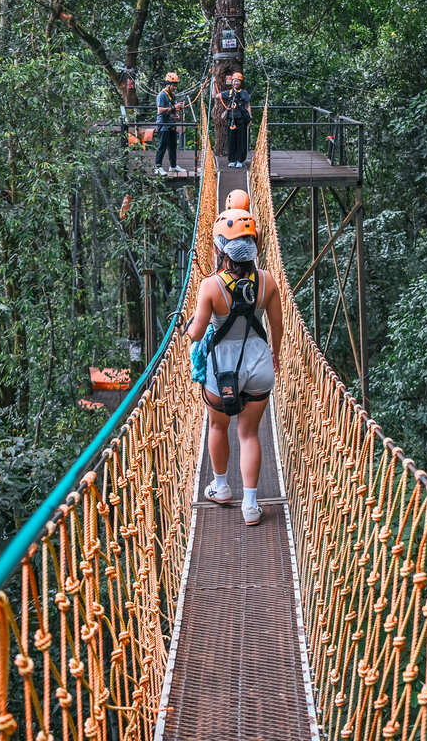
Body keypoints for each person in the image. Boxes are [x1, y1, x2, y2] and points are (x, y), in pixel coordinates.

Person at [186, 208, 284, 525]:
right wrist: (275, 354)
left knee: (218, 426)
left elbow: (196, 333)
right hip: (259, 364)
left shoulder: (210, 286)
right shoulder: (267, 281)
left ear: (220, 249)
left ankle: (222, 487)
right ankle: (251, 506)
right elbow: (277, 326)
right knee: (249, 433)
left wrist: (187, 324)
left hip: (222, 370)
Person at [217, 71, 252, 167]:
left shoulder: (244, 93)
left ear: (240, 82)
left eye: (238, 81)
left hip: (241, 120)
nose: (236, 83)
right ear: (232, 82)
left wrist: (250, 118)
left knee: (241, 140)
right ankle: (232, 160)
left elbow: (248, 105)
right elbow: (215, 96)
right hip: (232, 120)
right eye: (235, 81)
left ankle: (240, 160)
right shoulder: (229, 93)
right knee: (231, 140)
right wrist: (214, 83)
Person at [155, 72, 186, 176]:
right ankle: (158, 167)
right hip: (163, 124)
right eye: (173, 85)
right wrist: (174, 107)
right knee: (162, 146)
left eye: (176, 85)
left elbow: (171, 111)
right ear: (168, 84)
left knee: (173, 146)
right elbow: (160, 110)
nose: (175, 87)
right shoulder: (162, 95)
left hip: (171, 124)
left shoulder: (172, 95)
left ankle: (173, 166)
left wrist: (176, 116)